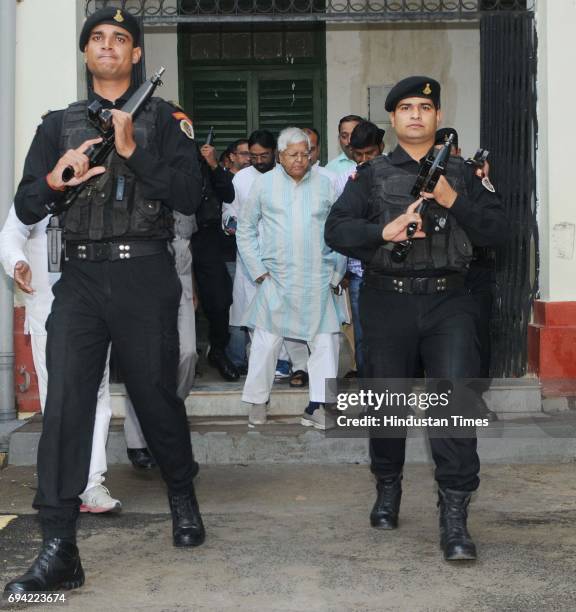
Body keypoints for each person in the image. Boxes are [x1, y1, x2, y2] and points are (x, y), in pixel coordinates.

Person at [4, 8, 205, 596]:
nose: (109, 46)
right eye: (98, 38)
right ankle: (59, 546)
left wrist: (133, 150)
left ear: (137, 54)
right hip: (82, 278)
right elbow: (24, 202)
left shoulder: (168, 120)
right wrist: (55, 182)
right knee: (63, 401)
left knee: (154, 396)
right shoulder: (56, 125)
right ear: (86, 53)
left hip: (145, 272)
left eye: (121, 39)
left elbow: (194, 196)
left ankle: (181, 491)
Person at [325, 76, 508, 561]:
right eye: (405, 107)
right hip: (387, 301)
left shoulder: (465, 175)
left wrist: (454, 199)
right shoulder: (370, 175)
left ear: (438, 117)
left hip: (451, 301)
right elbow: (336, 230)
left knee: (454, 407)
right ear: (392, 118)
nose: (414, 114)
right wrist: (380, 230)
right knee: (385, 401)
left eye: (424, 107)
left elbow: (500, 232)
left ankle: (454, 518)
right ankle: (387, 485)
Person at [0, 206, 122, 512]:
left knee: (98, 398)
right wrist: (17, 261)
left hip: (96, 313)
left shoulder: (98, 189)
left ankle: (92, 484)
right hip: (46, 314)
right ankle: (60, 480)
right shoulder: (36, 192)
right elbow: (11, 233)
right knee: (56, 400)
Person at [237, 127, 347, 429]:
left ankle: (320, 407)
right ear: (280, 157)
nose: (300, 160)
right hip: (277, 277)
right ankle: (258, 402)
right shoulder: (264, 185)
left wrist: (337, 272)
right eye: (293, 154)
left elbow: (339, 230)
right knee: (265, 343)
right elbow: (245, 230)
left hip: (318, 277)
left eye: (305, 153)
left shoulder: (327, 184)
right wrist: (258, 270)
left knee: (326, 342)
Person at [334, 121, 385, 378]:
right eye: (359, 155)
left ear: (381, 148)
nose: (364, 160)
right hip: (358, 274)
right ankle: (368, 395)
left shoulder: (395, 174)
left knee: (392, 339)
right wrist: (341, 269)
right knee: (364, 338)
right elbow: (339, 227)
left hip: (392, 273)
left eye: (370, 154)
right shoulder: (344, 179)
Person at [191, 139, 238, 381]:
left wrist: (212, 165)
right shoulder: (157, 153)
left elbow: (228, 193)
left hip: (206, 237)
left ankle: (217, 350)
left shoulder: (201, 154)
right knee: (181, 302)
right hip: (171, 237)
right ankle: (189, 358)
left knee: (219, 299)